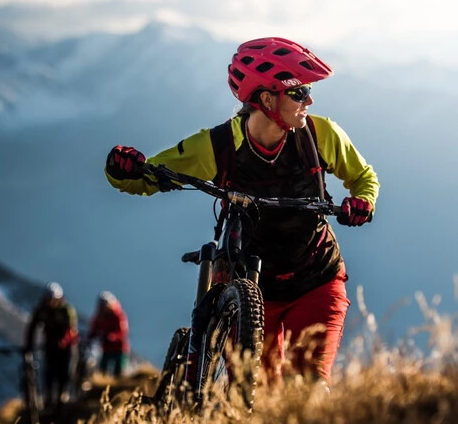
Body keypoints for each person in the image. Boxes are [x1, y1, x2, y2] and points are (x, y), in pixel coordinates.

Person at [104, 37, 379, 387]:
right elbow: (148, 176)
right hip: (248, 287)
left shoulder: (320, 134)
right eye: (299, 92)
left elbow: (363, 176)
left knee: (308, 388)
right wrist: (122, 169)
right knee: (256, 394)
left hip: (316, 280)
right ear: (266, 99)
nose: (309, 100)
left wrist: (363, 201)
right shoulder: (217, 146)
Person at [24, 282, 79, 411]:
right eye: (47, 299)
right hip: (50, 345)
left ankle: (62, 397)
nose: (49, 302)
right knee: (49, 372)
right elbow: (32, 327)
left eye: (51, 299)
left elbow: (71, 330)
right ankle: (49, 399)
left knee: (64, 372)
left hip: (67, 347)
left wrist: (62, 342)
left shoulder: (66, 310)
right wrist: (28, 345)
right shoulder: (42, 309)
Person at [87, 291, 130, 377]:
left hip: (119, 349)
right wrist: (91, 337)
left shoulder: (118, 315)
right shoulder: (99, 316)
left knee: (119, 372)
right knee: (103, 370)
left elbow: (122, 332)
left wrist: (111, 337)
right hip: (106, 349)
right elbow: (94, 329)